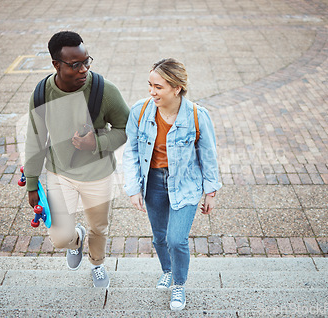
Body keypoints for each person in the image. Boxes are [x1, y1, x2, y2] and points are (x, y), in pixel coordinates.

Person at [24, 31, 130, 288]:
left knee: (99, 228)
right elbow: (35, 139)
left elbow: (126, 128)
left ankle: (97, 263)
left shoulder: (104, 91)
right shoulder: (42, 94)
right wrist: (31, 182)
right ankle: (76, 241)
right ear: (56, 65)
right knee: (60, 238)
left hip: (98, 175)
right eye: (75, 65)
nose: (84, 69)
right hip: (60, 173)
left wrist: (97, 142)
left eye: (86, 61)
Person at [123, 58, 222, 311]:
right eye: (150, 85)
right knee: (159, 238)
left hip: (186, 183)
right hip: (153, 182)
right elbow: (131, 151)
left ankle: (179, 284)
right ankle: (167, 269)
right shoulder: (140, 111)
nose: (152, 92)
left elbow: (208, 155)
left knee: (176, 239)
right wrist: (133, 188)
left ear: (176, 88)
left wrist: (210, 191)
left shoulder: (198, 116)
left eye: (158, 87)